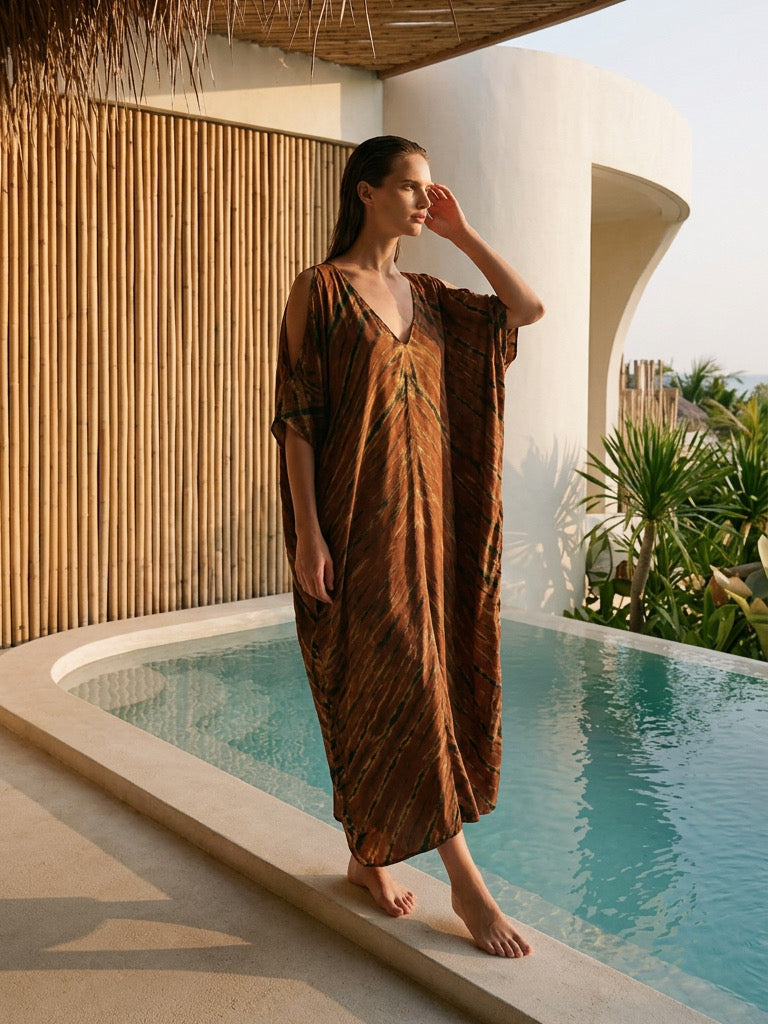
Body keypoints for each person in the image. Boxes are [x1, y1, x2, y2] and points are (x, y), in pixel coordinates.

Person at [271, 136, 544, 958]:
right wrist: (310, 531)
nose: (428, 201)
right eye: (413, 188)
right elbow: (298, 418)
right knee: (396, 687)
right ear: (366, 192)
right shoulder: (318, 291)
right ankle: (466, 884)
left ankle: (365, 855)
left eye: (430, 191)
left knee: (408, 685)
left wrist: (464, 236)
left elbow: (526, 310)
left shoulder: (430, 295)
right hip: (355, 530)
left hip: (431, 532)